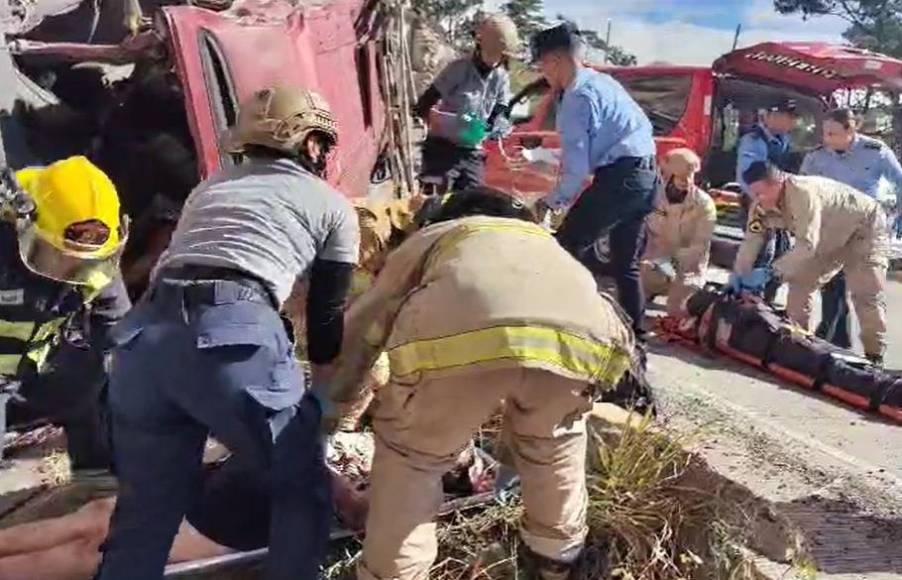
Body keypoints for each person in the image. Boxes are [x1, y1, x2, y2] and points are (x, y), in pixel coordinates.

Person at [96, 85, 359, 580]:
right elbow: (327, 312)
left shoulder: (212, 186)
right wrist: (321, 393)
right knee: (301, 487)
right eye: (321, 142)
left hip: (143, 339)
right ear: (309, 144)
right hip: (230, 324)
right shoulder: (332, 205)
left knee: (144, 516)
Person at [318, 187, 637, 580]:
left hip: (456, 340)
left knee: (414, 460)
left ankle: (391, 574)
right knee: (553, 443)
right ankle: (556, 562)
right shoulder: (546, 244)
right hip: (581, 343)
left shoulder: (436, 237)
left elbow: (366, 325)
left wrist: (329, 409)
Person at [0, 457, 368, 580]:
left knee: (93, 552)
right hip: (209, 490)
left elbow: (355, 512)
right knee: (96, 516)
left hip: (232, 524)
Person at [0, 156, 131, 477]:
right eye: (56, 254)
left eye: (82, 262)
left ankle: (96, 482)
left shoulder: (94, 261)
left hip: (37, 364)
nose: (69, 270)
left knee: (98, 387)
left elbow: (117, 327)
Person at [530, 22, 657, 337]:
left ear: (555, 61)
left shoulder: (575, 98)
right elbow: (595, 146)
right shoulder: (603, 83)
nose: (543, 74)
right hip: (647, 178)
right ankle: (637, 333)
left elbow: (577, 169)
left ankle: (554, 325)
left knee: (565, 248)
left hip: (620, 179)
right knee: (625, 264)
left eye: (542, 66)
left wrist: (549, 201)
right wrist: (548, 159)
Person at [730, 161, 889, 365]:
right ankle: (800, 345)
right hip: (826, 237)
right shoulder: (760, 204)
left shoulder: (802, 193)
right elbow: (752, 240)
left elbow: (806, 246)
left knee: (866, 292)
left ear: (778, 182)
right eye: (753, 193)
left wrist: (771, 271)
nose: (757, 199)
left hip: (864, 229)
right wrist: (738, 274)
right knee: (799, 284)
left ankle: (875, 356)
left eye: (761, 193)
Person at [799, 108, 902, 350]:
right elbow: (802, 188)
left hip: (864, 229)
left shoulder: (875, 152)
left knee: (863, 291)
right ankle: (834, 337)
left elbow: (900, 180)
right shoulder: (817, 156)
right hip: (830, 227)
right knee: (831, 284)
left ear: (851, 130)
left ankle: (854, 343)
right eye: (824, 133)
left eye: (833, 133)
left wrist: (898, 214)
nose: (826, 139)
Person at [413, 13, 519, 193]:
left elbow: (501, 109)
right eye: (493, 53)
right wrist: (434, 120)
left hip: (472, 150)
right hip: (442, 148)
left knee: (471, 202)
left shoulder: (500, 77)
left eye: (500, 55)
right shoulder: (459, 69)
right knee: (434, 201)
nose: (496, 59)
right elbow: (426, 101)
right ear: (480, 45)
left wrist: (497, 125)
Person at [735, 99, 799, 303]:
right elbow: (750, 177)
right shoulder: (754, 140)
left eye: (793, 119)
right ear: (772, 116)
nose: (792, 123)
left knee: (781, 252)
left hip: (780, 205)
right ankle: (747, 298)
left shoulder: (784, 141)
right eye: (788, 117)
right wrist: (763, 203)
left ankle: (765, 300)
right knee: (761, 251)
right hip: (758, 203)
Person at [641, 148, 717, 317]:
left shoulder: (704, 204)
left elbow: (699, 246)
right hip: (654, 265)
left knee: (676, 312)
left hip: (687, 270)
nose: (686, 180)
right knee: (625, 296)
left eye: (690, 175)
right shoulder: (653, 196)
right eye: (681, 175)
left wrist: (670, 263)